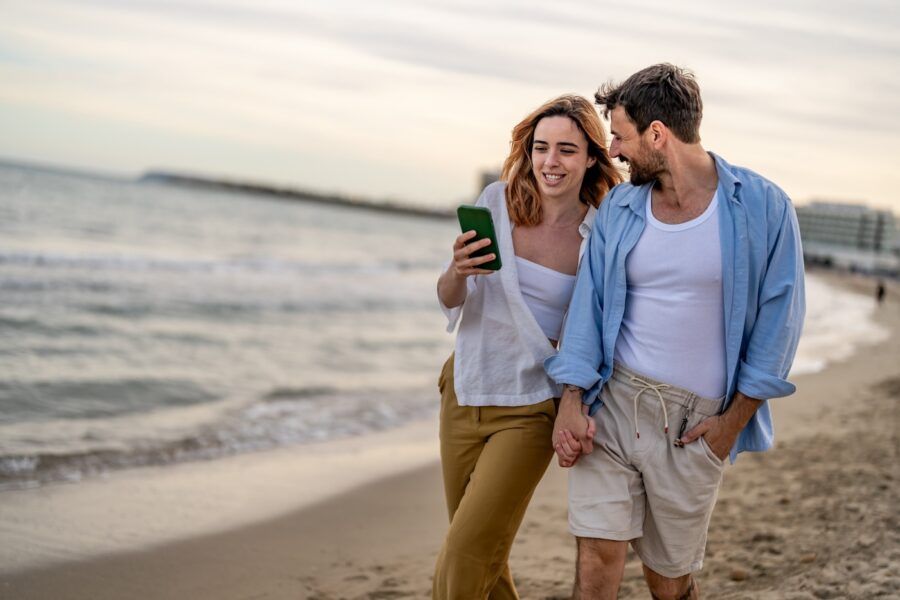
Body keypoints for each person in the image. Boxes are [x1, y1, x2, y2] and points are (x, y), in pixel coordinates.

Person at [546, 64, 806, 599]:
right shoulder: (621, 206)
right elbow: (588, 306)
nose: (614, 149)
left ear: (658, 134)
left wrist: (731, 424)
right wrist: (572, 397)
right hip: (612, 405)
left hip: (694, 424)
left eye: (620, 135)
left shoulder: (763, 207)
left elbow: (781, 325)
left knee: (668, 581)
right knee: (597, 554)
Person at [433, 95, 621, 599]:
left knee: (465, 551)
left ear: (590, 158)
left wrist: (575, 400)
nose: (550, 162)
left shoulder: (597, 234)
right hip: (465, 388)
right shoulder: (497, 203)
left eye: (566, 149)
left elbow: (599, 328)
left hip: (531, 406)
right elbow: (449, 300)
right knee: (481, 549)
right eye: (541, 148)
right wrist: (457, 270)